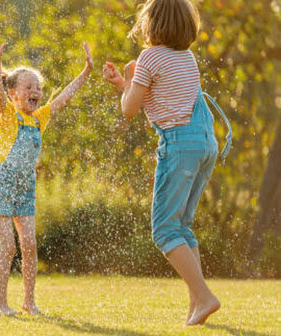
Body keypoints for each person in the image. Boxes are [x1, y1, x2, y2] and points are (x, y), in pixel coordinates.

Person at [102, 0, 231, 326]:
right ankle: (196, 306)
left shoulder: (149, 57)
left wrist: (130, 80)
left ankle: (204, 297)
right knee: (181, 226)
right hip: (205, 144)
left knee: (163, 230)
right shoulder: (185, 58)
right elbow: (156, 100)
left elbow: (129, 110)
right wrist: (126, 82)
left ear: (152, 24)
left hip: (180, 148)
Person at [0, 33, 93, 315]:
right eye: (29, 86)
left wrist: (86, 71)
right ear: (14, 93)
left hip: (25, 189)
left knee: (29, 245)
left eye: (38, 87)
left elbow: (64, 97)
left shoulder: (39, 118)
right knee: (9, 248)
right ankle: (1, 305)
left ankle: (29, 302)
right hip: (2, 186)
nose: (36, 91)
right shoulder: (7, 114)